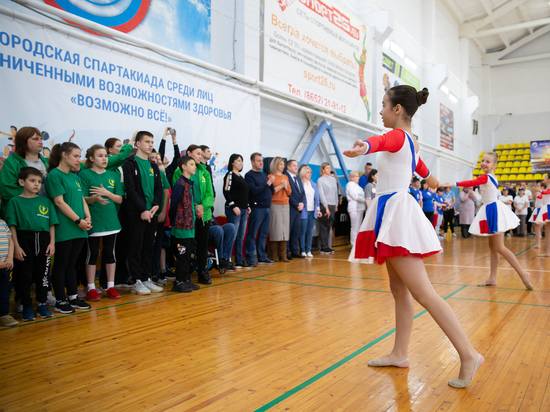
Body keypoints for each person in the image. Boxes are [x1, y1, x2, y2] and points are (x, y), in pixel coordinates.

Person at [345, 85, 482, 389]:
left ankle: (469, 353)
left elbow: (380, 141)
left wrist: (362, 146)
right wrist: (435, 180)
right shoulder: (411, 144)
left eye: (383, 106)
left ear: (397, 109)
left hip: (396, 214)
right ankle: (400, 353)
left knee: (424, 293)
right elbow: (427, 176)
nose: (380, 111)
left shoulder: (398, 136)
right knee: (400, 291)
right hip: (392, 211)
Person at [444, 152, 532, 290]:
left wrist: (455, 183)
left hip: (492, 210)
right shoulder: (491, 177)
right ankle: (492, 277)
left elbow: (472, 182)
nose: (484, 163)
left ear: (494, 165)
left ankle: (523, 274)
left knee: (499, 247)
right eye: (483, 160)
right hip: (489, 209)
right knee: (493, 248)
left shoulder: (486, 177)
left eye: (488, 161)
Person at [45, 142, 93, 313]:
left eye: (80, 157)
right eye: (75, 156)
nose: (79, 160)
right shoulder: (54, 175)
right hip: (66, 227)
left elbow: (81, 200)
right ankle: (60, 300)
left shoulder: (75, 177)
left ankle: (73, 296)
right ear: (64, 155)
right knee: (61, 265)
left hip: (79, 227)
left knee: (72, 264)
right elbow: (59, 201)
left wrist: (87, 217)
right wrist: (77, 220)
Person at [5, 167, 57, 320]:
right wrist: (16, 246)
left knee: (42, 276)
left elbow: (51, 224)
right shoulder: (15, 202)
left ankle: (42, 304)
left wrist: (52, 242)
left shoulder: (45, 202)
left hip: (43, 239)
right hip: (23, 239)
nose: (36, 184)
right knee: (24, 276)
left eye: (39, 181)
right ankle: (26, 305)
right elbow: (12, 226)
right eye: (32, 181)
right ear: (22, 182)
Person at [80, 145, 123, 301]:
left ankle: (110, 286)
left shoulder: (113, 175)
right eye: (100, 156)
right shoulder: (84, 174)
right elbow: (82, 198)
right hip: (94, 222)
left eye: (106, 156)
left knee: (110, 253)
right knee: (92, 254)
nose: (104, 158)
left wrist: (106, 193)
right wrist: (95, 198)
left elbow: (119, 199)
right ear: (91, 158)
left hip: (111, 221)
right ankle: (91, 287)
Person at [122, 131, 164, 295]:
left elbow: (159, 189)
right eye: (147, 141)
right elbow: (130, 189)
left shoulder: (153, 165)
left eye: (152, 141)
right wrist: (143, 209)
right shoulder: (130, 163)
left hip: (151, 212)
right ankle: (136, 280)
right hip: (137, 213)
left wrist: (155, 206)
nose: (150, 144)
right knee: (136, 247)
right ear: (138, 144)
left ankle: (146, 278)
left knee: (149, 247)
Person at [169, 156, 201, 293]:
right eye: (192, 164)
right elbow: (174, 205)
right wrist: (173, 222)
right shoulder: (179, 185)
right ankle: (178, 281)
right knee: (182, 255)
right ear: (183, 167)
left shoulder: (190, 184)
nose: (195, 167)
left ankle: (186, 279)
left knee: (188, 255)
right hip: (181, 227)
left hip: (189, 227)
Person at [0, 127, 49, 216]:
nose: (40, 142)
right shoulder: (11, 162)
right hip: (20, 214)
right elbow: (7, 189)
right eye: (35, 139)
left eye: (41, 139)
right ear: (23, 141)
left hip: (44, 212)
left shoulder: (47, 162)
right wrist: (34, 201)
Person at [244, 153, 275, 266]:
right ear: (252, 162)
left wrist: (269, 184)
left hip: (267, 207)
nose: (261, 163)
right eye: (258, 161)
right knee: (252, 234)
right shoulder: (249, 175)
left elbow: (271, 190)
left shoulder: (264, 175)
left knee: (263, 234)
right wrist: (267, 184)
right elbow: (253, 191)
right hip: (257, 208)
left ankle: (262, 256)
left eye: (261, 161)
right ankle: (250, 258)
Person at [223, 154, 251, 267]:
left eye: (242, 161)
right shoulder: (230, 175)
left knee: (240, 236)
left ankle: (239, 260)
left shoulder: (241, 176)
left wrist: (247, 205)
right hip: (234, 209)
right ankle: (226, 259)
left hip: (243, 209)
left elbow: (244, 194)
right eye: (238, 161)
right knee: (232, 235)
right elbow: (226, 191)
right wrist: (233, 206)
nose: (241, 163)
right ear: (232, 162)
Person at [268, 157, 292, 262]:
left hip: (285, 204)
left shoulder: (285, 177)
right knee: (275, 229)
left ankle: (283, 254)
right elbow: (270, 192)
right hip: (275, 204)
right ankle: (274, 255)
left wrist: (285, 187)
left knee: (284, 230)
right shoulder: (270, 177)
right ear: (275, 165)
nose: (282, 166)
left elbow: (289, 192)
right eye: (280, 164)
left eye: (283, 164)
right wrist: (281, 186)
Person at [285, 159, 306, 259]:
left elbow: (303, 194)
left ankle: (294, 251)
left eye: (297, 165)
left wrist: (302, 203)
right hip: (290, 208)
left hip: (298, 209)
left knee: (296, 231)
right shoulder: (286, 177)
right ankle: (286, 252)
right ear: (288, 167)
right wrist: (296, 204)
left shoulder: (298, 179)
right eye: (294, 165)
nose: (296, 167)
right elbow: (288, 194)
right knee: (288, 231)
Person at [299, 165, 321, 257]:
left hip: (313, 210)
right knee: (302, 231)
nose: (309, 174)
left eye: (310, 173)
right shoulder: (300, 184)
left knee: (310, 231)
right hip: (304, 210)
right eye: (307, 172)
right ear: (303, 173)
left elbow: (317, 198)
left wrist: (318, 210)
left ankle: (309, 250)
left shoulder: (313, 185)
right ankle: (302, 250)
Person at [317, 162, 338, 254]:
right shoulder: (320, 180)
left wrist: (336, 204)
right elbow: (321, 195)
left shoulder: (333, 180)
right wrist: (326, 207)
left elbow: (335, 193)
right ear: (323, 169)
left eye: (329, 168)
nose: (329, 170)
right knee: (324, 226)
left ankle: (327, 245)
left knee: (329, 226)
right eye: (327, 168)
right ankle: (323, 246)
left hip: (333, 204)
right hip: (325, 205)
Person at [0, 217, 15, 326]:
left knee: (5, 290)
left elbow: (10, 241)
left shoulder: (2, 223)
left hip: (6, 265)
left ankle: (3, 314)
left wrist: (10, 258)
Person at [346, 171, 366, 246]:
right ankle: (354, 244)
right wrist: (365, 200)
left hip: (360, 208)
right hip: (354, 208)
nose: (358, 178)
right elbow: (355, 197)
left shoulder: (358, 186)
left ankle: (358, 243)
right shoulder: (350, 185)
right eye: (357, 176)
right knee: (354, 227)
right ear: (352, 177)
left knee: (358, 227)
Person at [535, 185, 550, 256]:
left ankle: (548, 252)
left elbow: (546, 192)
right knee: (547, 233)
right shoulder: (547, 188)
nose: (544, 178)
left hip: (548, 208)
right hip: (546, 208)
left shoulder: (548, 189)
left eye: (545, 177)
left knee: (548, 232)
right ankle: (548, 252)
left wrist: (539, 190)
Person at [529, 182, 544, 248]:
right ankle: (538, 243)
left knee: (538, 226)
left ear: (542, 187)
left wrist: (535, 191)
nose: (537, 186)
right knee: (536, 226)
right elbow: (535, 196)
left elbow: (538, 197)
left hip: (541, 210)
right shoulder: (539, 193)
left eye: (538, 185)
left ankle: (538, 243)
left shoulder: (543, 193)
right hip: (537, 209)